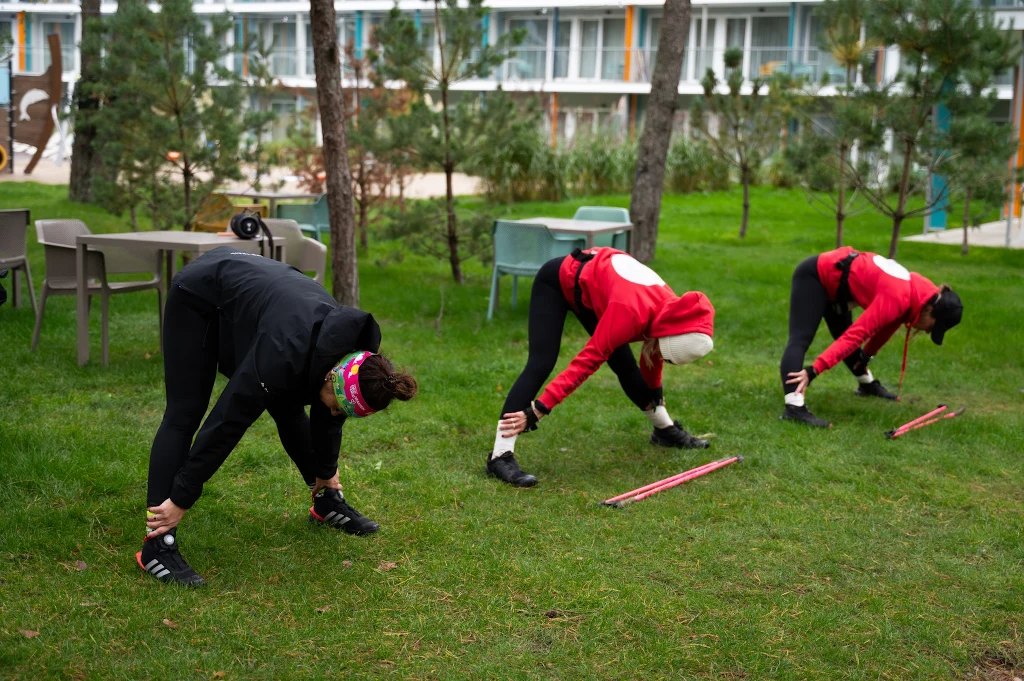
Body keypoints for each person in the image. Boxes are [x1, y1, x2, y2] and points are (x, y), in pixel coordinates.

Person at [138, 246, 417, 586]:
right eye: (337, 404)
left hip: (263, 304)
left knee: (288, 403)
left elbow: (330, 415)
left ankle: (326, 500)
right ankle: (157, 542)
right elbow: (227, 424)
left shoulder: (353, 361)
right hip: (200, 295)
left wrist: (326, 473)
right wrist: (182, 498)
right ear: (331, 376)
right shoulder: (284, 351)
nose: (334, 413)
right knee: (184, 413)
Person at [487, 247, 716, 488]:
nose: (661, 356)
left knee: (625, 364)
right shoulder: (630, 313)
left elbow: (653, 352)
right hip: (557, 280)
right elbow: (588, 361)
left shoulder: (672, 313)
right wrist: (539, 409)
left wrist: (655, 390)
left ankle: (664, 431)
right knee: (541, 362)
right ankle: (499, 456)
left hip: (599, 290)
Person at [780, 246, 962, 428]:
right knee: (800, 339)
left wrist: (867, 355)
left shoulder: (922, 295)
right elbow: (856, 335)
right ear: (930, 310)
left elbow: (889, 324)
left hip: (840, 289)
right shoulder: (898, 296)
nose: (928, 331)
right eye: (932, 327)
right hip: (815, 276)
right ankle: (794, 407)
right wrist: (814, 370)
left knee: (845, 338)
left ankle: (866, 384)